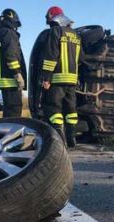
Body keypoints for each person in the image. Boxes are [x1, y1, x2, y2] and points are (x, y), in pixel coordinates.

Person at [41, 6, 83, 148]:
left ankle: (60, 138)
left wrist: (46, 78)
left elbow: (50, 56)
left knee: (54, 108)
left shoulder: (55, 31)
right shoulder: (76, 35)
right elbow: (81, 58)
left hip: (57, 79)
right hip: (72, 79)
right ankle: (72, 138)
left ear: (53, 18)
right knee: (71, 109)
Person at [0, 9, 27, 118]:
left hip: (3, 79)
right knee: (14, 111)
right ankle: (13, 134)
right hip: (11, 79)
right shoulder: (9, 33)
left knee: (8, 111)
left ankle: (6, 133)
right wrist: (17, 74)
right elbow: (11, 55)